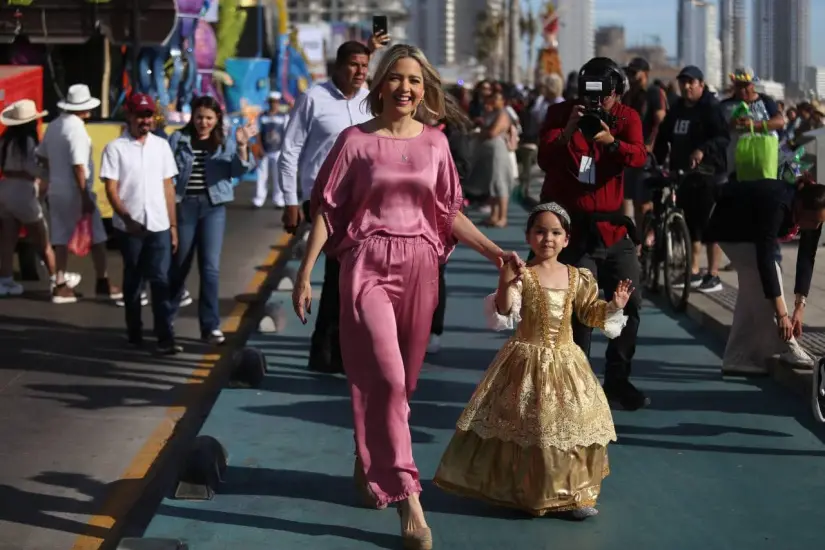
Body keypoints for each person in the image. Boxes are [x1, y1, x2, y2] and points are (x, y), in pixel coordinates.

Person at [290, 43, 524, 549]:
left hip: (421, 267)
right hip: (367, 264)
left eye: (415, 81)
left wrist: (494, 253)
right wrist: (305, 271)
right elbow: (327, 210)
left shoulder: (437, 143)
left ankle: (368, 452)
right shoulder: (355, 141)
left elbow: (448, 212)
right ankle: (410, 502)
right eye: (396, 78)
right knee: (390, 380)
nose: (405, 88)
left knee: (404, 383)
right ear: (379, 86)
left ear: (425, 89)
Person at [434, 203, 630, 520]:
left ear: (567, 239)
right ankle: (530, 490)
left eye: (555, 232)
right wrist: (504, 280)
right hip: (526, 360)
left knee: (572, 424)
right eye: (540, 231)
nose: (547, 238)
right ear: (528, 237)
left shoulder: (578, 277)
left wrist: (613, 306)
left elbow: (589, 314)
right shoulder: (523, 276)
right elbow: (504, 309)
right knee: (532, 426)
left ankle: (574, 493)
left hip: (567, 361)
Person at [537, 56, 649, 411]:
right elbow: (545, 158)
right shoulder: (559, 113)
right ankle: (577, 387)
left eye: (606, 95)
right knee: (579, 309)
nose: (598, 103)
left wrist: (611, 141)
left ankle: (617, 380)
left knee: (630, 301)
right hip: (575, 229)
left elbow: (640, 156)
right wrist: (570, 131)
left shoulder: (627, 117)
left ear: (618, 92)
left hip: (614, 228)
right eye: (591, 95)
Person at [278, 37, 385, 374]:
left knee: (353, 279)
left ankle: (333, 353)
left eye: (365, 66)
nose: (360, 72)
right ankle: (326, 353)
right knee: (340, 276)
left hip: (362, 202)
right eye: (353, 65)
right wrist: (289, 201)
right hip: (323, 202)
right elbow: (289, 151)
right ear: (337, 67)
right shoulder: (313, 99)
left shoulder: (372, 99)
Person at [703, 177, 819, 376]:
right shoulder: (778, 204)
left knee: (752, 288)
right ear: (800, 206)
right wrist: (782, 315)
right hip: (729, 227)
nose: (816, 227)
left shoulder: (814, 211)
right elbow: (765, 257)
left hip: (748, 231)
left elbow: (807, 258)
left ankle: (736, 358)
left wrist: (800, 307)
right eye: (813, 221)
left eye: (820, 222)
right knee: (768, 277)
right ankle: (787, 346)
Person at [167, 96, 256, 345]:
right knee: (180, 265)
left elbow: (239, 171)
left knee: (210, 269)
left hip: (213, 208)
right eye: (199, 117)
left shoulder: (225, 141)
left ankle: (210, 326)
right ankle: (167, 320)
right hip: (184, 206)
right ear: (192, 117)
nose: (203, 122)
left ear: (217, 119)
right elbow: (167, 173)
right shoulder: (178, 139)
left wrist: (241, 146)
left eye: (208, 117)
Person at [100, 93, 180, 354]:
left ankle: (165, 336)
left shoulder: (161, 146)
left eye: (148, 116)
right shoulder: (115, 148)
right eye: (140, 116)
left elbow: (168, 186)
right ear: (129, 116)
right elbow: (111, 189)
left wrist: (173, 226)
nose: (145, 121)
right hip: (129, 227)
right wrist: (127, 220)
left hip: (158, 223)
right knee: (134, 281)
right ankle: (134, 333)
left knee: (160, 280)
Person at [37, 83, 121, 304]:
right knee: (98, 237)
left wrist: (54, 172)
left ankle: (60, 282)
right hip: (75, 191)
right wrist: (85, 196)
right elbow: (78, 166)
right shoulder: (77, 130)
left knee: (60, 238)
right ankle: (102, 281)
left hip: (57, 189)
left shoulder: (55, 126)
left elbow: (42, 156)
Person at [653, 66, 730, 293]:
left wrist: (702, 150)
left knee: (709, 225)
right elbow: (664, 136)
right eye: (683, 82)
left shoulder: (711, 108)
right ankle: (694, 271)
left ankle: (713, 273)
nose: (686, 87)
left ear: (701, 85)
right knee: (690, 223)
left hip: (709, 174)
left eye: (691, 82)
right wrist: (655, 161)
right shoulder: (677, 109)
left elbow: (722, 138)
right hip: (683, 174)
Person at [0, 99, 57, 297]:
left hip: (5, 187)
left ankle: (5, 280)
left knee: (8, 239)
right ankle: (57, 279)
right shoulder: (29, 142)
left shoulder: (5, 141)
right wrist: (51, 174)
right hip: (24, 191)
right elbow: (33, 169)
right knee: (42, 239)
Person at [622, 57, 667, 237]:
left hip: (647, 154)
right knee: (633, 200)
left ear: (645, 74)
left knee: (644, 202)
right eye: (628, 72)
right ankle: (640, 239)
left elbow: (660, 120)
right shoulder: (628, 94)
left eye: (634, 72)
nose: (631, 76)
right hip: (629, 152)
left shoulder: (654, 92)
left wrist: (650, 144)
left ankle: (649, 237)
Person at [253, 91, 289, 209]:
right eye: (272, 102)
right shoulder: (262, 116)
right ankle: (259, 198)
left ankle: (278, 199)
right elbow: (258, 132)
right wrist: (259, 147)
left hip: (278, 150)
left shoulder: (284, 116)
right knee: (261, 175)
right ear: (268, 103)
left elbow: (287, 133)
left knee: (278, 175)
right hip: (265, 150)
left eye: (276, 102)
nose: (274, 104)